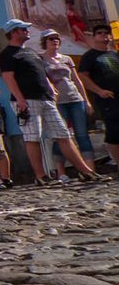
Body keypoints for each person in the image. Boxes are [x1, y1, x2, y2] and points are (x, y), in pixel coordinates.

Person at [0, 19, 106, 185]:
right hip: (27, 100)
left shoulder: (31, 52)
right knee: (32, 137)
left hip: (45, 98)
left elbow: (41, 73)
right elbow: (8, 78)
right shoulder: (8, 54)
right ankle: (41, 176)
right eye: (23, 29)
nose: (27, 31)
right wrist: (20, 99)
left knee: (63, 134)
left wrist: (51, 90)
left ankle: (86, 171)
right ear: (14, 32)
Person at [42, 31, 95, 177]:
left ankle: (89, 169)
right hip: (58, 101)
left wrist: (86, 100)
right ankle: (61, 172)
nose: (55, 41)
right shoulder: (41, 59)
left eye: (57, 39)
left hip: (74, 98)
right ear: (44, 42)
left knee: (82, 134)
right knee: (61, 135)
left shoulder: (66, 59)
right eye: (51, 39)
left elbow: (77, 80)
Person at [77, 29, 119, 169]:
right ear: (94, 37)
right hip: (107, 99)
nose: (105, 36)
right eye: (100, 33)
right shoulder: (90, 56)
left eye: (107, 33)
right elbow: (83, 76)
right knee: (114, 132)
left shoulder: (114, 54)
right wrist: (99, 91)